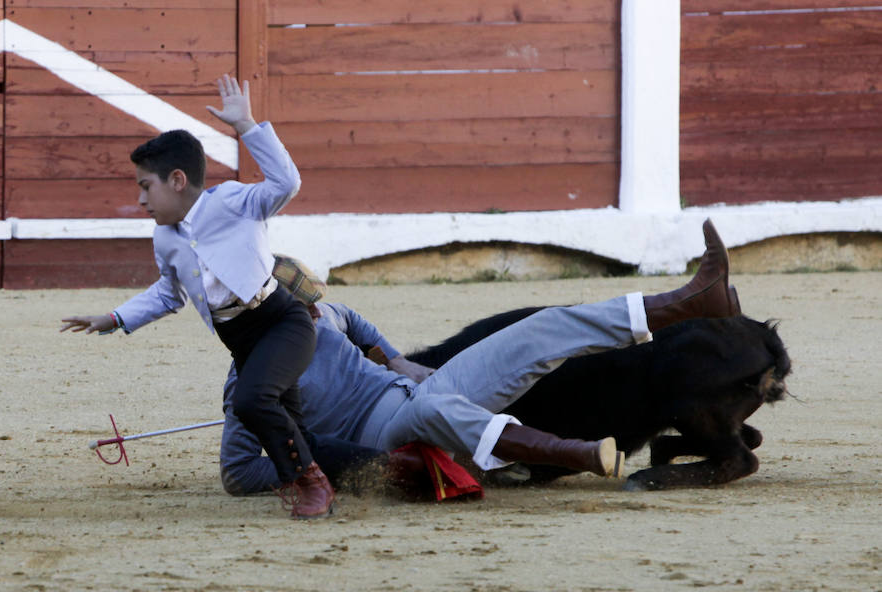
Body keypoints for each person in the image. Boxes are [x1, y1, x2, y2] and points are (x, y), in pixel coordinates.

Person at [220, 220, 741, 496]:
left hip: (421, 390)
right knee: (429, 412)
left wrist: (396, 360)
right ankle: (572, 453)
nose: (314, 317)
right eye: (303, 310)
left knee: (537, 327)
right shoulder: (249, 380)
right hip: (386, 441)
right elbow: (239, 473)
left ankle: (689, 302)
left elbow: (355, 323)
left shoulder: (325, 318)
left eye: (310, 307)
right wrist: (327, 466)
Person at [60, 75, 336, 519]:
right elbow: (169, 295)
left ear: (176, 179)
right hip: (241, 339)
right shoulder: (165, 239)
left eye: (145, 186)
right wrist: (115, 317)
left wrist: (247, 127)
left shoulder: (232, 202)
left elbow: (286, 184)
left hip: (281, 321)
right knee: (297, 430)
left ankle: (312, 486)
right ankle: (367, 469)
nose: (140, 198)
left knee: (251, 402)